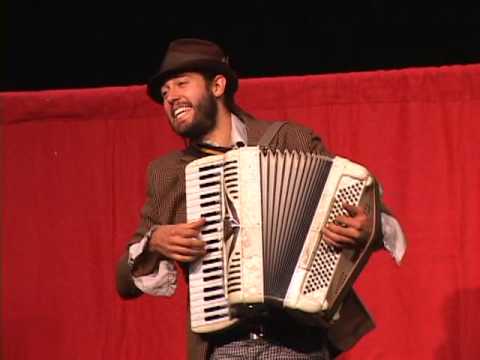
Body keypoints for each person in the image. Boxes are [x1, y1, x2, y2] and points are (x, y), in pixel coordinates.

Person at [116, 38, 407, 360]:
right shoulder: (169, 172)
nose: (170, 97)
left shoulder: (290, 139)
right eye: (165, 93)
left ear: (218, 85)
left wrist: (366, 229)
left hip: (299, 342)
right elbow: (124, 280)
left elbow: (373, 214)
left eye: (181, 84)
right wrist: (155, 242)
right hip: (224, 346)